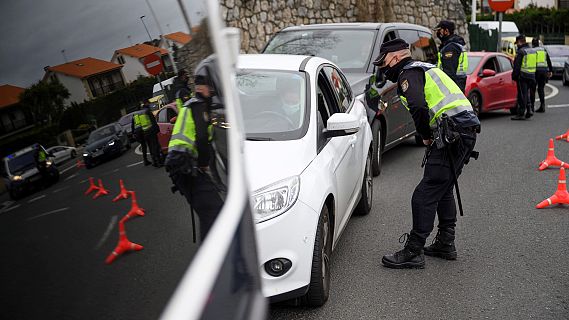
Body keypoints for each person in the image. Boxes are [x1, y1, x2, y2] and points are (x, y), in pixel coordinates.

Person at [372, 39, 480, 269]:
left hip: (453, 133)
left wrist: (425, 135)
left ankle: (414, 250)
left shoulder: (407, 73)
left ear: (394, 58)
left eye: (383, 62)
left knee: (425, 193)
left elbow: (418, 106)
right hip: (463, 130)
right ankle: (445, 243)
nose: (383, 68)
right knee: (443, 188)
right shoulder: (425, 68)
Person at [165, 55, 225, 242]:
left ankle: (216, 251)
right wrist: (204, 164)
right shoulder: (198, 106)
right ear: (200, 88)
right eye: (210, 87)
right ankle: (212, 258)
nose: (213, 91)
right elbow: (201, 138)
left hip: (181, 165)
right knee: (213, 210)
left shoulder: (196, 106)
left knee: (210, 209)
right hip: (183, 163)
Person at [433, 20, 468, 92]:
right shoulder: (454, 44)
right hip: (457, 84)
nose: (438, 33)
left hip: (451, 87)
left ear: (446, 31)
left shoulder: (451, 47)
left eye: (440, 30)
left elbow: (449, 72)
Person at [511, 34, 537, 120]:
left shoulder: (521, 52)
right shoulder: (532, 50)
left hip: (523, 76)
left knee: (522, 95)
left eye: (517, 43)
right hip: (532, 75)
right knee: (527, 94)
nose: (516, 45)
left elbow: (517, 66)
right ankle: (529, 110)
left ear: (520, 42)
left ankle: (521, 114)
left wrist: (514, 76)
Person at [132, 102, 162, 166]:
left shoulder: (136, 114)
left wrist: (134, 133)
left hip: (144, 132)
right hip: (150, 130)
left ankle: (153, 161)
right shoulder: (146, 111)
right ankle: (158, 161)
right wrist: (157, 129)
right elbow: (153, 121)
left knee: (149, 146)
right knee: (154, 145)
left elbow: (135, 125)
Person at [530, 38, 552, 113]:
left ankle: (532, 107)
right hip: (544, 71)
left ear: (532, 44)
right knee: (541, 88)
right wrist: (550, 71)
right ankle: (542, 106)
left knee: (533, 89)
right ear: (538, 44)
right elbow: (548, 60)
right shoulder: (543, 50)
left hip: (535, 71)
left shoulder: (532, 51)